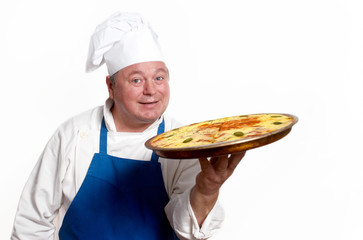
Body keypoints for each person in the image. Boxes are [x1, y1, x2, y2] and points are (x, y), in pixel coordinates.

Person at [11, 12, 246, 240]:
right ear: (111, 86)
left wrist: (206, 190)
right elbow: (31, 224)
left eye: (159, 77)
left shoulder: (184, 144)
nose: (151, 90)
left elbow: (188, 232)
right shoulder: (74, 134)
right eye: (136, 80)